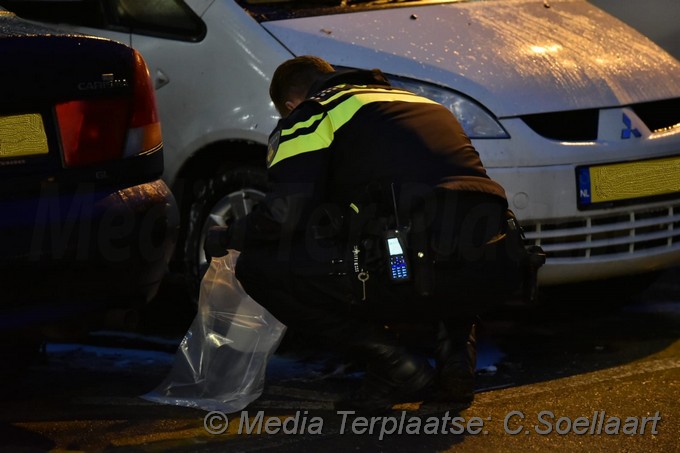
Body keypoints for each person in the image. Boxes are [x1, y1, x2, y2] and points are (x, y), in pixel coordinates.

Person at [205, 55, 532, 414]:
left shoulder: (314, 112)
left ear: (290, 104)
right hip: (493, 263)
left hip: (407, 268)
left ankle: (397, 365)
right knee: (438, 236)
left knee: (261, 267)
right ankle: (456, 364)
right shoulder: (420, 102)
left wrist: (230, 235)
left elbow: (285, 214)